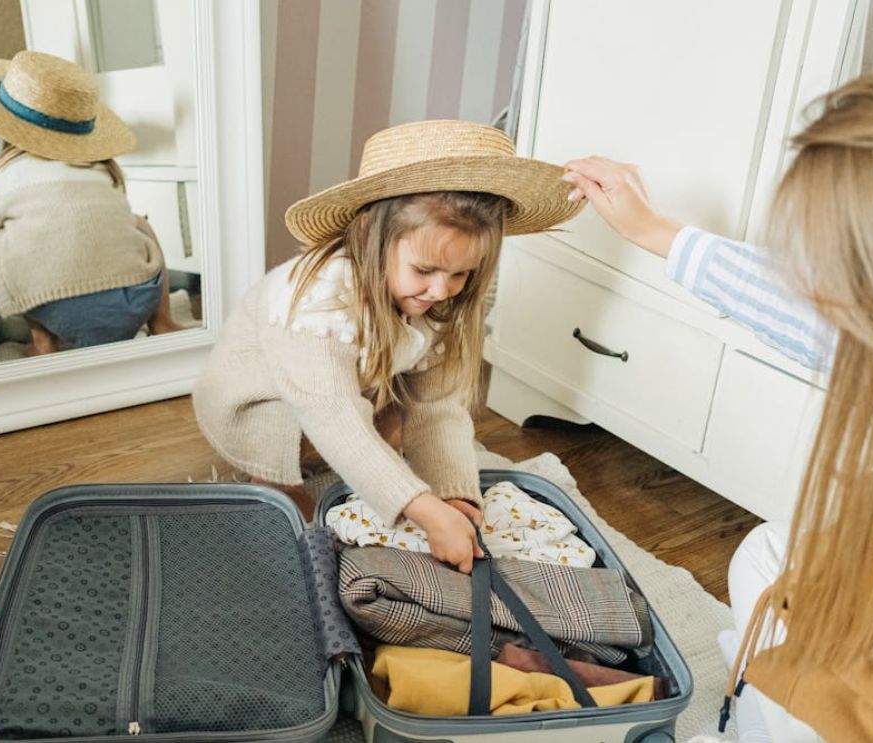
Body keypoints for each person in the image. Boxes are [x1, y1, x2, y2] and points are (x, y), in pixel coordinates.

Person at [563, 48, 873, 741]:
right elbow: (803, 310)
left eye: (849, 276)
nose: (823, 298)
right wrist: (654, 231)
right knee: (766, 555)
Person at [191, 119, 583, 574]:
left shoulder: (430, 299)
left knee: (405, 418)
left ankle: (366, 471)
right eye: (425, 270)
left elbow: (438, 406)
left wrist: (451, 492)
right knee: (300, 460)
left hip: (351, 384)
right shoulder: (316, 296)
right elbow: (331, 411)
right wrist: (421, 508)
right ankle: (274, 479)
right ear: (368, 235)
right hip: (259, 399)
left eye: (461, 275)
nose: (441, 290)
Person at [0, 50, 182, 355]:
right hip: (135, 301)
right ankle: (162, 322)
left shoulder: (1, 178)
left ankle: (44, 343)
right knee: (139, 224)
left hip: (59, 310)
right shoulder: (100, 169)